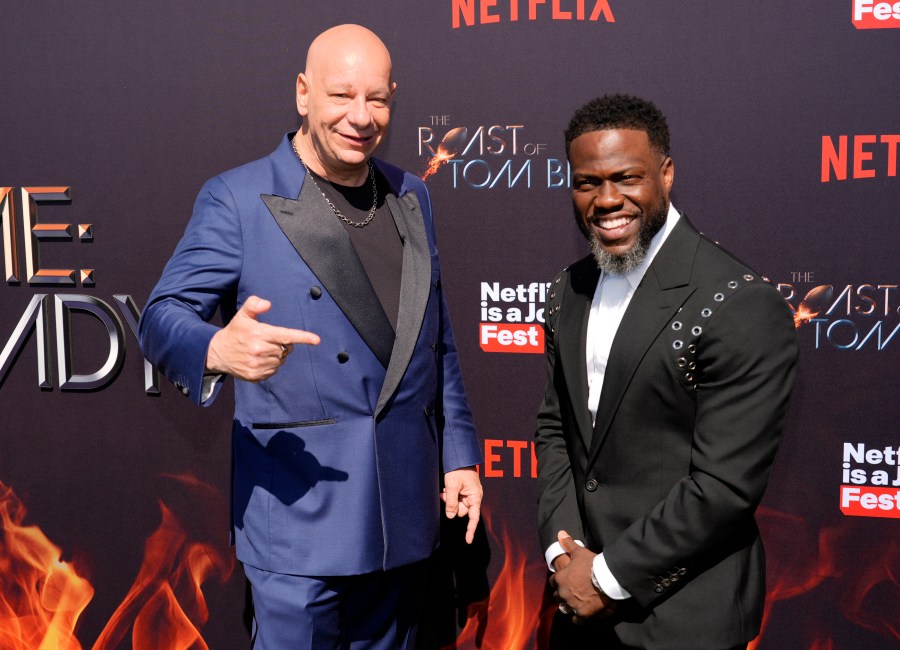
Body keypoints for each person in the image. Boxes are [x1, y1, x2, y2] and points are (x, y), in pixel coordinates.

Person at [139, 24, 483, 649]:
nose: (360, 117)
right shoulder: (239, 198)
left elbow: (435, 342)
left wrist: (458, 453)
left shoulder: (413, 195)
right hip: (300, 519)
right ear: (303, 94)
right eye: (340, 96)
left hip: (403, 518)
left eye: (376, 99)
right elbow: (161, 315)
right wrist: (216, 348)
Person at [535, 94, 798, 650]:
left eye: (626, 178)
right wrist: (564, 554)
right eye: (587, 182)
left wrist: (606, 577)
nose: (607, 200)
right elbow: (557, 430)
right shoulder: (568, 291)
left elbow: (724, 487)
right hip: (578, 610)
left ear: (666, 173)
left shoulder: (737, 303)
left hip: (684, 619)